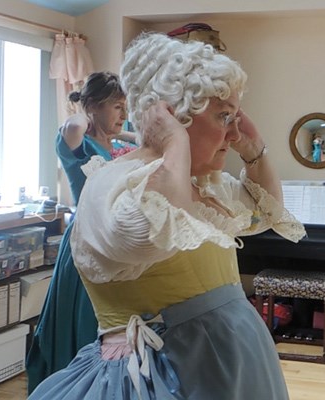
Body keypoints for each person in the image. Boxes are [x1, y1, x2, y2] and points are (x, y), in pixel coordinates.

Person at [28, 32, 305, 400]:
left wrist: (255, 153)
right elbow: (151, 234)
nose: (234, 132)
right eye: (224, 117)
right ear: (175, 117)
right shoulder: (113, 183)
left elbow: (262, 214)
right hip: (163, 378)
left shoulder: (204, 183)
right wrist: (175, 144)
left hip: (232, 364)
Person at [26, 71, 137, 394]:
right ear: (93, 105)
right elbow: (73, 125)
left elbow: (145, 139)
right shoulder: (76, 140)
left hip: (115, 238)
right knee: (85, 319)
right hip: (85, 239)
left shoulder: (119, 138)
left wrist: (121, 135)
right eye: (117, 106)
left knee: (111, 323)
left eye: (125, 107)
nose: (123, 115)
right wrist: (86, 110)